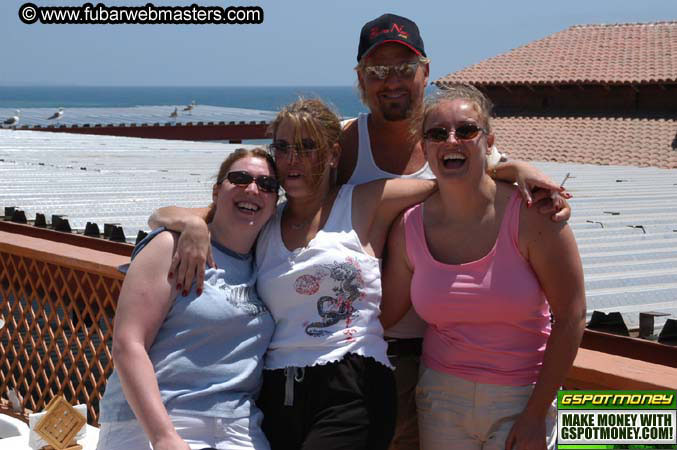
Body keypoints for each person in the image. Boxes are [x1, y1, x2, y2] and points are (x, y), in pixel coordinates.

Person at [337, 13, 572, 450]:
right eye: (378, 70)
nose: (392, 81)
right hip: (361, 350)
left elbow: (491, 178)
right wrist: (183, 219)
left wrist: (523, 170)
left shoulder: (452, 135)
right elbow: (283, 205)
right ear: (361, 78)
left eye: (405, 68)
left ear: (426, 71)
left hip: (427, 354)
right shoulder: (342, 146)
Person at [380, 84, 586, 450]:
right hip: (440, 398)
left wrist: (537, 413)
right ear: (425, 147)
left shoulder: (533, 215)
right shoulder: (409, 227)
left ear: (489, 142)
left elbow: (572, 316)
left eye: (467, 130)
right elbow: (384, 314)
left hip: (522, 396)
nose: (452, 140)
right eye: (438, 133)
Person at [97, 148, 278, 450]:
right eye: (241, 178)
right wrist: (163, 436)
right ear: (217, 190)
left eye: (267, 185)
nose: (253, 189)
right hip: (155, 420)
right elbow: (128, 344)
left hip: (238, 427)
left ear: (275, 203)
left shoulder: (266, 261)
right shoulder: (173, 245)